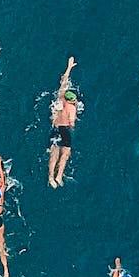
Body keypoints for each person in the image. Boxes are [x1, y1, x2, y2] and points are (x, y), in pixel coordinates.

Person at [46, 58, 80, 188]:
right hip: (65, 129)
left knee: (54, 151)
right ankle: (59, 176)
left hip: (55, 128)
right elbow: (72, 124)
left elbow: (64, 80)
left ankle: (50, 177)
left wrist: (69, 67)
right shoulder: (72, 108)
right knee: (65, 153)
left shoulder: (60, 96)